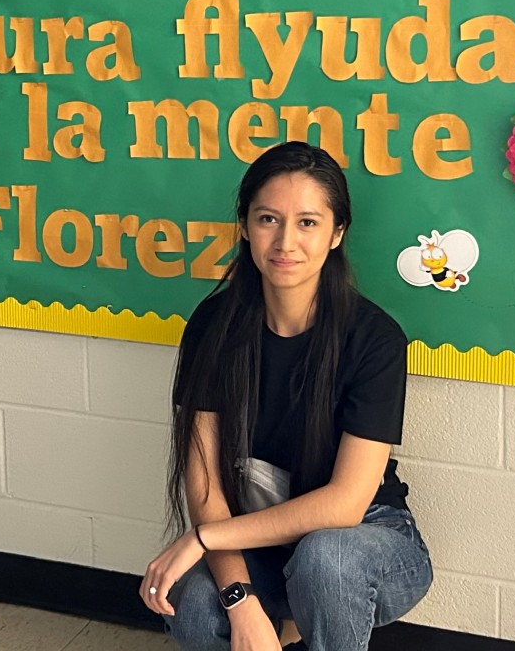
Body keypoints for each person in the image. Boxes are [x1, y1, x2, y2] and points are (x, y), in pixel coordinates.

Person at [142, 141, 432, 651]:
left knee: (327, 559)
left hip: (368, 536)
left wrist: (204, 538)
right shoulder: (214, 325)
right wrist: (240, 601)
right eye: (268, 219)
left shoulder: (374, 339)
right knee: (194, 604)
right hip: (258, 542)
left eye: (307, 222)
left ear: (337, 233)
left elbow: (345, 505)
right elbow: (206, 487)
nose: (285, 242)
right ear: (246, 225)